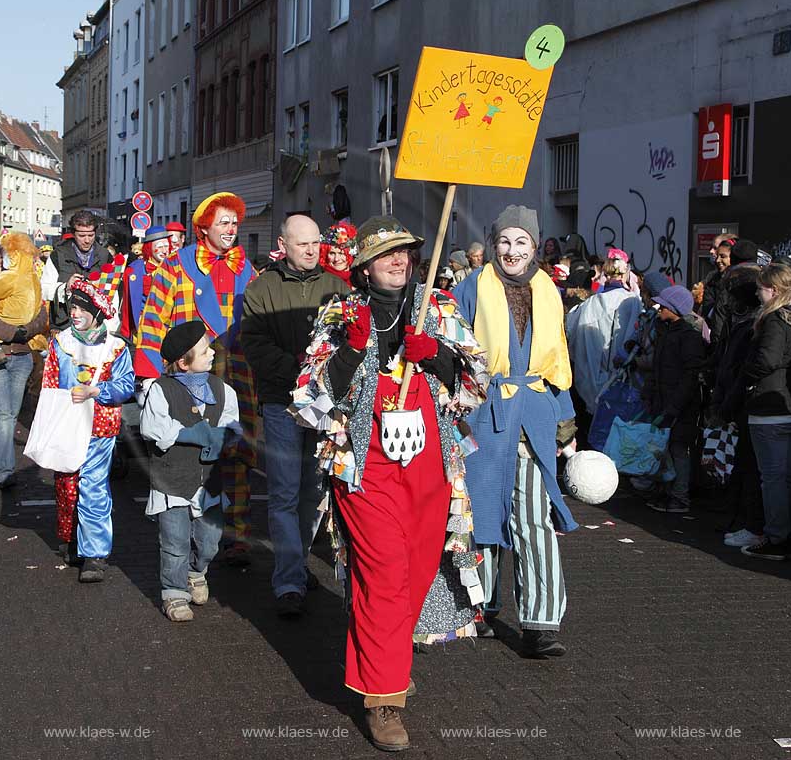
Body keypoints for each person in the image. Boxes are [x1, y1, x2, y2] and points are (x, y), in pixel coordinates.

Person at [291, 215, 487, 750]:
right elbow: (310, 398)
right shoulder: (341, 312)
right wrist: (353, 351)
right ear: (363, 266)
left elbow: (476, 381)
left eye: (405, 253)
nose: (399, 262)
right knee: (384, 575)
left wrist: (439, 356)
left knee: (417, 573)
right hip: (365, 467)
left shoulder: (438, 306)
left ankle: (389, 659)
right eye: (386, 254)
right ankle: (384, 701)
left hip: (429, 468)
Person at [452, 205, 577, 660]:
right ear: (493, 243)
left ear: (534, 247)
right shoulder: (471, 288)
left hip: (534, 416)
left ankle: (542, 623)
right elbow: (452, 349)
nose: (512, 250)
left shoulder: (548, 292)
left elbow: (558, 359)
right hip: (483, 413)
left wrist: (565, 424)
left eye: (521, 242)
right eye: (505, 241)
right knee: (481, 512)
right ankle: (478, 605)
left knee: (533, 519)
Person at [134, 192, 258, 566]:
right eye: (223, 222)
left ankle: (236, 534)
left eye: (234, 223)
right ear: (203, 227)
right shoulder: (175, 267)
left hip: (236, 375)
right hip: (190, 377)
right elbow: (153, 323)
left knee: (236, 453)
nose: (231, 230)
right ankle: (187, 531)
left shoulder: (247, 270)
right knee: (190, 453)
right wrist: (150, 381)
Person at [240, 215, 349, 617]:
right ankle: (288, 581)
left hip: (325, 406)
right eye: (302, 244)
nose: (311, 250)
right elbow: (253, 342)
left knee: (314, 492)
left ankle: (298, 564)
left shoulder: (337, 288)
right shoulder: (262, 287)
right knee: (284, 493)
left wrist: (327, 376)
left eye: (315, 243)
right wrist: (300, 372)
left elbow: (351, 341)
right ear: (283, 244)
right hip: (282, 403)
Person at [141, 321, 241, 621]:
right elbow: (153, 428)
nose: (212, 352)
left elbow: (232, 423)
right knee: (175, 542)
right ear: (183, 362)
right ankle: (173, 593)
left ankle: (197, 571)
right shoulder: (161, 389)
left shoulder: (222, 390)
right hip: (171, 481)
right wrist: (192, 433)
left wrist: (223, 436)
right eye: (204, 350)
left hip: (208, 483)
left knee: (210, 542)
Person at [43, 279, 135, 582]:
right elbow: (50, 383)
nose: (75, 312)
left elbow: (125, 386)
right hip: (68, 425)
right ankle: (71, 538)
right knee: (67, 484)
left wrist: (97, 391)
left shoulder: (116, 347)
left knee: (93, 486)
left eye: (81, 307)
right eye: (73, 306)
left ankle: (94, 554)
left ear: (96, 312)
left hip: (100, 426)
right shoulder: (60, 343)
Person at [740, 264, 791, 560]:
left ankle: (777, 536)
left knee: (772, 477)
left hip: (770, 407)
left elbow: (766, 359)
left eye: (760, 288)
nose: (757, 293)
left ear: (772, 289)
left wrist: (745, 376)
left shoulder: (773, 319)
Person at [0, 238, 50, 488]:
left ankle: (4, 461)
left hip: (23, 354)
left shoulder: (22, 278)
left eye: (0, 258)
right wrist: (12, 332)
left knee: (12, 413)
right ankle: (5, 470)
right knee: (3, 413)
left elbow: (41, 311)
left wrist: (26, 331)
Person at [709, 265, 765, 548]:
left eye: (731, 296)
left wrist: (726, 403)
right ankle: (735, 517)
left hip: (741, 404)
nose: (726, 302)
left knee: (744, 465)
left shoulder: (750, 327)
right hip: (732, 400)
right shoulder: (739, 323)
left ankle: (746, 521)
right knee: (736, 463)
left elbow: (739, 371)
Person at [642, 286, 706, 514]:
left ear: (675, 309)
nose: (659, 308)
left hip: (680, 406)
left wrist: (674, 406)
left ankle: (680, 496)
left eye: (664, 305)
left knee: (678, 449)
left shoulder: (687, 336)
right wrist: (650, 395)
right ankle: (668, 491)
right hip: (666, 401)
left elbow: (690, 376)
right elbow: (657, 370)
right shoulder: (668, 331)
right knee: (666, 449)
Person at [565, 249, 642, 415]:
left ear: (605, 274)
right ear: (625, 274)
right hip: (622, 376)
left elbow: (572, 335)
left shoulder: (590, 303)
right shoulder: (632, 301)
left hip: (591, 375)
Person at [41, 211, 114, 331]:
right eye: (81, 236)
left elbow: (112, 293)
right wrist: (65, 288)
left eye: (91, 235)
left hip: (95, 327)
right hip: (64, 325)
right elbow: (43, 289)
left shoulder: (105, 256)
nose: (87, 240)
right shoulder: (57, 255)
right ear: (73, 234)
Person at [120, 225, 172, 344]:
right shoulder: (134, 271)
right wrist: (125, 333)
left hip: (169, 330)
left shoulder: (175, 268)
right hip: (143, 331)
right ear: (149, 248)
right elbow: (127, 307)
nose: (164, 251)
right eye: (159, 247)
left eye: (166, 246)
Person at [319, 219, 357, 287]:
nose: (336, 259)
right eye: (332, 253)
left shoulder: (361, 279)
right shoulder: (321, 281)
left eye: (341, 253)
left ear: (350, 254)